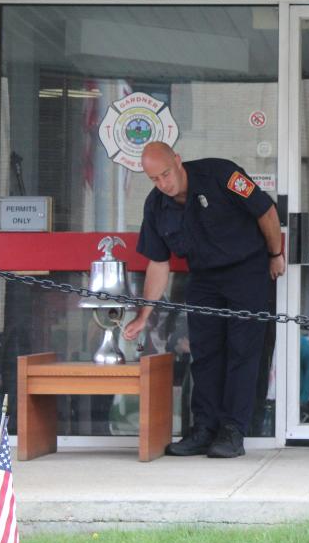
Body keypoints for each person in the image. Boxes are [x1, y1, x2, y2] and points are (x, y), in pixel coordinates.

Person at [122, 142, 285, 459]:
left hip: (246, 270)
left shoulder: (220, 174)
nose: (163, 183)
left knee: (242, 351)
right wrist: (143, 316)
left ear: (178, 162)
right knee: (205, 354)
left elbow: (265, 210)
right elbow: (158, 263)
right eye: (154, 179)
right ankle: (204, 429)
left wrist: (275, 254)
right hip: (204, 278)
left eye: (166, 174)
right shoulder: (156, 206)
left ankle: (233, 430)